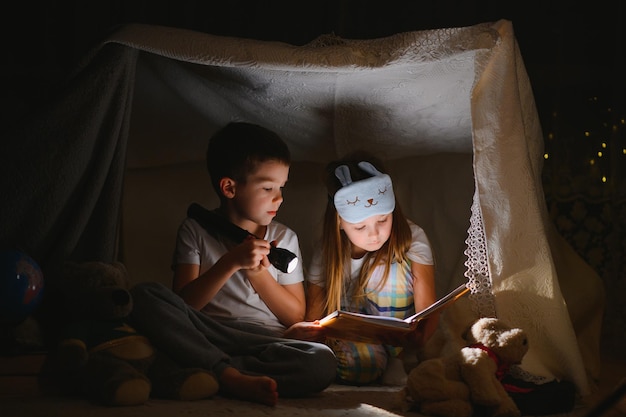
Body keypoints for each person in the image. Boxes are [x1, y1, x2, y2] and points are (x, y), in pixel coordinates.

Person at [128, 121, 337, 406]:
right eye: (267, 187)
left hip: (265, 339)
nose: (279, 197)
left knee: (321, 361)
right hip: (208, 332)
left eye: (281, 187)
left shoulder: (284, 238)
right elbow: (185, 304)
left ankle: (210, 370)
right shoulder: (196, 230)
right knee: (144, 296)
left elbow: (294, 315)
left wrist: (257, 274)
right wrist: (230, 262)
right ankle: (228, 376)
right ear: (229, 187)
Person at [303, 152, 438, 385]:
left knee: (385, 268)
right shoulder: (327, 251)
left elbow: (427, 309)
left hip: (397, 336)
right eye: (360, 226)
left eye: (383, 220)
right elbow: (313, 315)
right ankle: (375, 364)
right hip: (351, 335)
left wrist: (419, 339)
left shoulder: (413, 238)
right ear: (340, 223)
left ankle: (397, 360)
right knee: (360, 367)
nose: (374, 234)